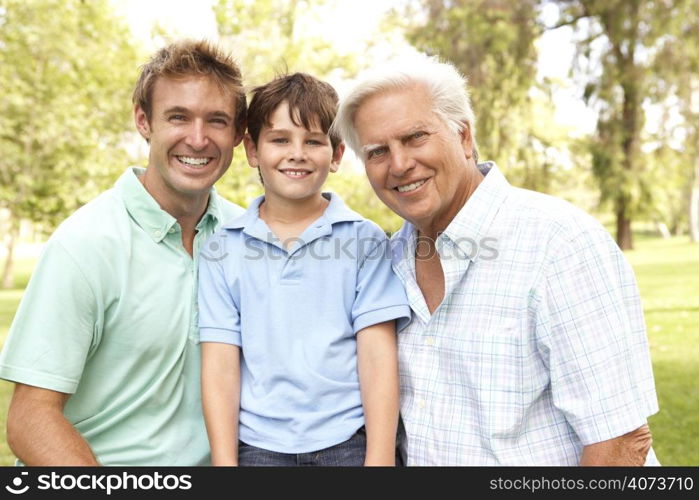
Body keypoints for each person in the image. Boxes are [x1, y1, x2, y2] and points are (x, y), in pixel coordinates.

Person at [332, 56, 659, 466]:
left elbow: (620, 441)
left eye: (415, 137)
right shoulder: (386, 261)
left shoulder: (560, 243)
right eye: (377, 152)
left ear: (464, 136)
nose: (399, 164)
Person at [0, 40, 247, 465]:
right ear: (143, 121)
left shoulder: (247, 238)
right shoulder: (85, 245)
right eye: (178, 117)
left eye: (217, 121)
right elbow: (29, 417)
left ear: (240, 135)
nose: (198, 138)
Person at [198, 73, 410, 466]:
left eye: (313, 141)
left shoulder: (364, 240)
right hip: (258, 449)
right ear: (252, 150)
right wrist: (224, 465)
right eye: (280, 140)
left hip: (349, 443)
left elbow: (378, 355)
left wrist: (379, 458)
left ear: (336, 155)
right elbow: (220, 363)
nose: (296, 153)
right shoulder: (221, 247)